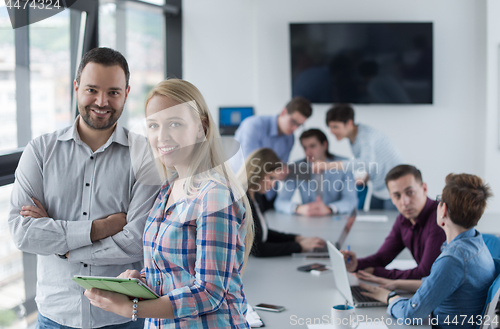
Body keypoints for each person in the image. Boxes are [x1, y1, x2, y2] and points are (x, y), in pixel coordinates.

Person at [8, 48, 160, 329]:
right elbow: (22, 233)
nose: (102, 102)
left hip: (122, 318)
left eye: (113, 92)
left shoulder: (145, 154)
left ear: (126, 93)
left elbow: (137, 239)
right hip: (55, 316)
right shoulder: (40, 151)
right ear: (76, 88)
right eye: (92, 89)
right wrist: (99, 229)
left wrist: (64, 247)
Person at [84, 79, 254, 328]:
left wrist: (130, 308)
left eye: (174, 123)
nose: (161, 136)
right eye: (153, 125)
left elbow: (209, 293)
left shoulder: (214, 195)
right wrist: (139, 280)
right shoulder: (167, 189)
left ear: (200, 127)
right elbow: (174, 271)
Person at [357, 173, 496, 329]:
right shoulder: (477, 243)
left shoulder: (454, 259)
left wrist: (390, 298)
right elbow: (439, 283)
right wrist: (396, 283)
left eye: (439, 200)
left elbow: (410, 315)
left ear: (443, 210)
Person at [341, 165, 446, 279]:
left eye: (410, 192)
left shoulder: (439, 219)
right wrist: (356, 264)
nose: (404, 202)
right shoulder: (402, 220)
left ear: (424, 189)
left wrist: (376, 272)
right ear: (391, 197)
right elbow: (382, 257)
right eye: (397, 196)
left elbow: (425, 273)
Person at [230, 97, 313, 210]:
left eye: (299, 125)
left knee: (264, 226)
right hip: (245, 191)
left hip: (269, 192)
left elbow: (280, 169)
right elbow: (252, 164)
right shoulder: (253, 125)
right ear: (283, 112)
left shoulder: (289, 138)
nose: (294, 128)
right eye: (293, 122)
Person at [240, 148, 326, 257]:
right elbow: (258, 249)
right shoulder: (241, 201)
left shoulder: (256, 196)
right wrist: (299, 247)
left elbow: (263, 234)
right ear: (258, 172)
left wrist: (297, 239)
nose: (273, 185)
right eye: (271, 178)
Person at [316, 103, 403, 209]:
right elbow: (374, 162)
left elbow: (366, 163)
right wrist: (365, 179)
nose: (332, 131)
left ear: (349, 123)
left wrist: (327, 166)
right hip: (379, 189)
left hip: (395, 189)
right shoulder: (354, 137)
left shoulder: (365, 136)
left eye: (335, 127)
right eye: (330, 127)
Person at [275, 129, 357, 216]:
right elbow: (280, 202)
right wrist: (298, 208)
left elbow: (351, 200)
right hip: (308, 219)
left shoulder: (342, 164)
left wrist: (329, 209)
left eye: (312, 146)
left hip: (335, 218)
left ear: (324, 145)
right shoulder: (298, 167)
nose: (308, 152)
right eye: (305, 148)